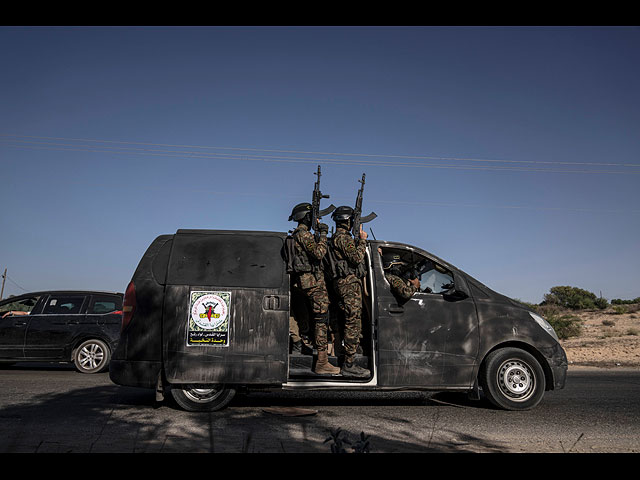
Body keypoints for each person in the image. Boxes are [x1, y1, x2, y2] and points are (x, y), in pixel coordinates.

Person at [288, 202, 341, 375]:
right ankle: (322, 362)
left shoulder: (298, 235)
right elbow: (319, 253)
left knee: (317, 318)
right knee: (321, 319)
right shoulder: (304, 235)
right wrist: (324, 234)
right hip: (312, 282)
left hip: (306, 281)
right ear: (307, 217)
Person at [329, 206, 370, 378]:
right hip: (348, 284)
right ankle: (349, 364)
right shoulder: (343, 238)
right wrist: (362, 240)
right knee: (353, 323)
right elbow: (356, 258)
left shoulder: (339, 238)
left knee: (348, 320)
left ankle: (348, 356)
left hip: (344, 284)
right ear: (348, 221)